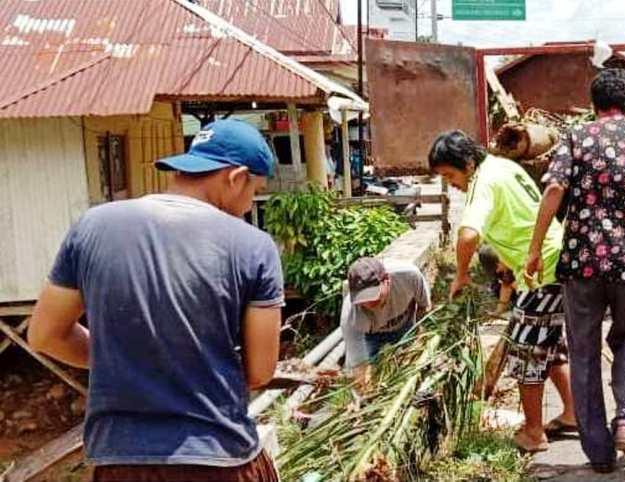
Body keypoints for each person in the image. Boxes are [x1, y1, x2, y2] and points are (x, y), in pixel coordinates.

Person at [27, 119, 283, 481]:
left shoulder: (92, 226)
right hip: (217, 456)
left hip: (120, 460)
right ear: (236, 177)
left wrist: (123, 361)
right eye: (253, 190)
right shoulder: (252, 246)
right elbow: (260, 371)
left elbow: (44, 335)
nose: (247, 205)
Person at [526, 68, 625, 473]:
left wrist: (534, 248)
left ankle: (599, 453)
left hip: (582, 264)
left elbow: (553, 189)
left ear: (594, 104)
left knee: (582, 351)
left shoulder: (577, 139)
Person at [429, 130, 577, 453]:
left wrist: (462, 275)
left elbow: (468, 235)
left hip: (539, 271)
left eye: (450, 175)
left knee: (527, 352)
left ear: (467, 164)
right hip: (553, 260)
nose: (451, 183)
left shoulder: (482, 182)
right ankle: (572, 413)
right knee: (550, 347)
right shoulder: (503, 166)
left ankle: (534, 433)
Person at [341, 257, 431, 378]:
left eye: (373, 295)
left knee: (414, 366)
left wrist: (420, 335)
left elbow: (424, 307)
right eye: (362, 299)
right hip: (370, 335)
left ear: (387, 280)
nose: (369, 303)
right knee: (368, 375)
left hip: (405, 324)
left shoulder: (409, 276)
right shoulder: (350, 314)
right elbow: (359, 366)